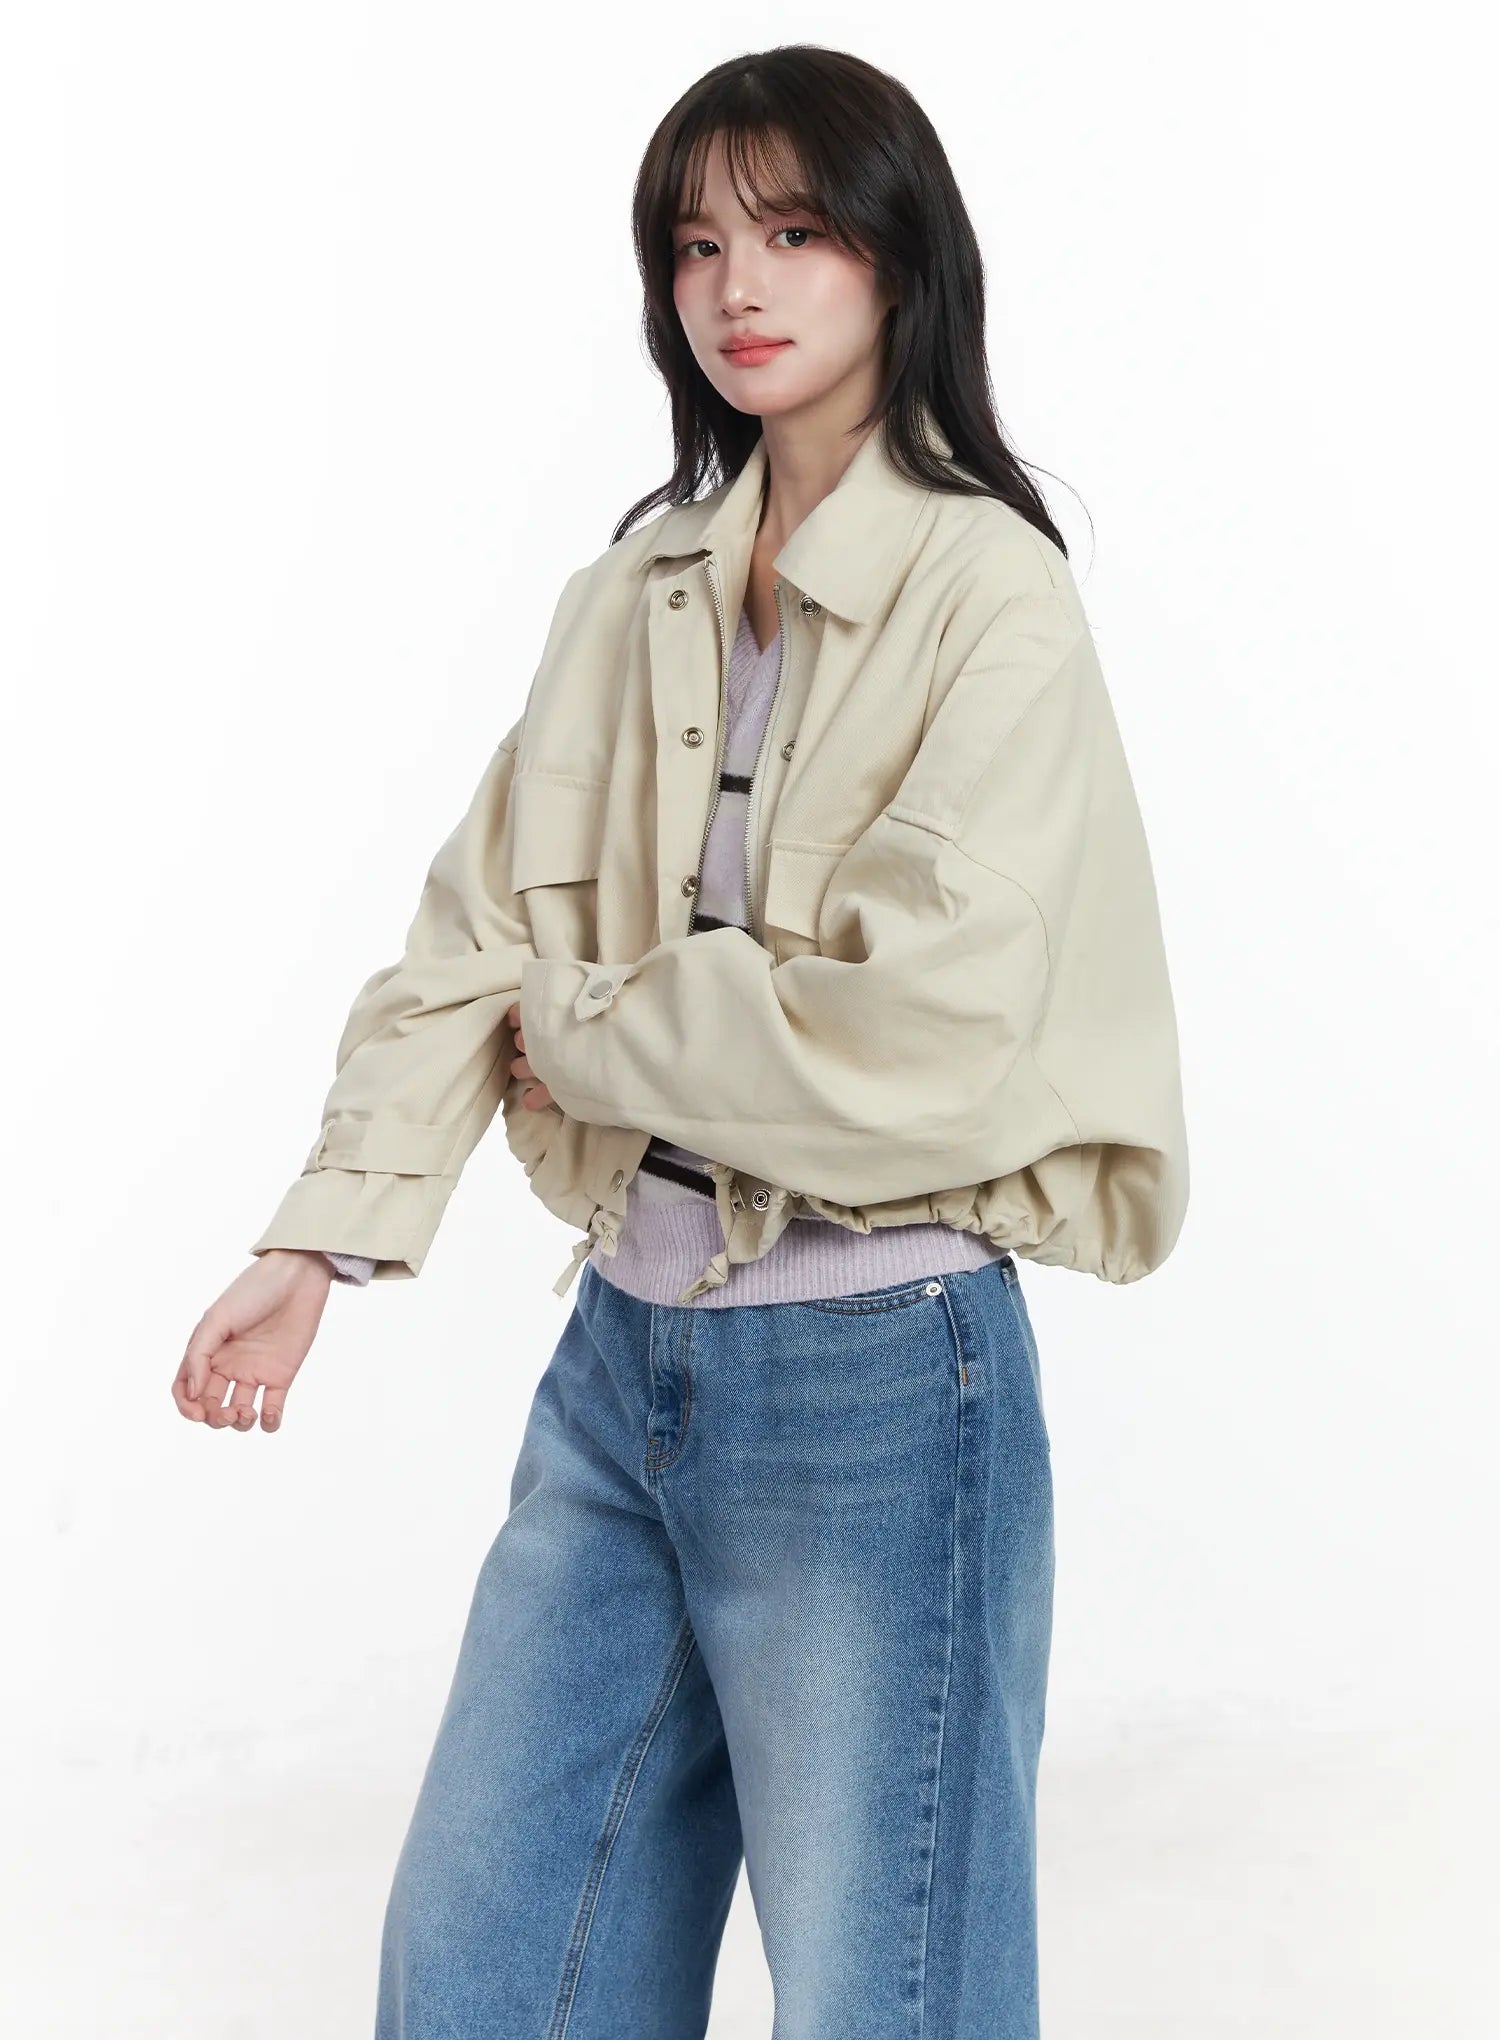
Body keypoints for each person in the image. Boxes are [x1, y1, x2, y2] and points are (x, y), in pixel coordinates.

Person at [173, 44, 1188, 2040]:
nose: (739, 284)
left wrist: (586, 1034)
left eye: (794, 232)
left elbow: (912, 1026)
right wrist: (323, 1234)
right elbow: (480, 924)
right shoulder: (630, 590)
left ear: (898, 258)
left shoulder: (993, 596)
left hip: (879, 1375)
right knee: (483, 1975)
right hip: (620, 1360)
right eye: (699, 243)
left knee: (888, 1999)